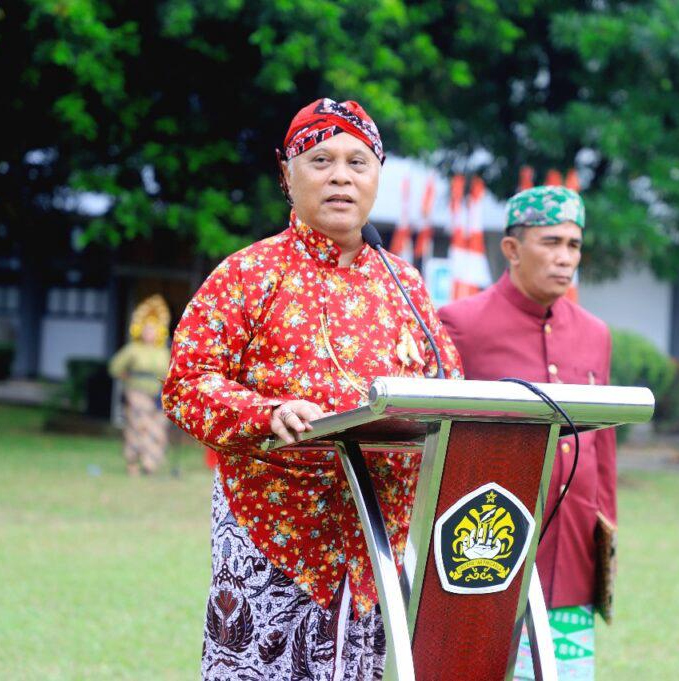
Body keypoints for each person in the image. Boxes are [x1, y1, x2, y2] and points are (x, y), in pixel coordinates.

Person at [161, 98, 463, 680]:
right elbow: (186, 383)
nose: (341, 177)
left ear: (378, 175)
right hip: (271, 539)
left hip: (376, 546)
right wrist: (265, 412)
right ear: (286, 173)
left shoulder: (405, 284)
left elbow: (449, 390)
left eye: (358, 162)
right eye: (321, 160)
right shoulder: (248, 273)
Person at [438, 186, 615, 680]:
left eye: (574, 245)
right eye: (551, 242)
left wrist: (605, 537)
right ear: (512, 249)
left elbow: (603, 450)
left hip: (572, 549)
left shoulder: (595, 334)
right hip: (485, 547)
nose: (565, 258)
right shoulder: (460, 325)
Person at [108, 294, 172, 476]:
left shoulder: (163, 352)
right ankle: (133, 462)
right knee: (139, 426)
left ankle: (150, 463)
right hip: (137, 393)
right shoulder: (133, 349)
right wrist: (127, 378)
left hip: (158, 395)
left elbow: (170, 372)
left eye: (153, 330)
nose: (149, 333)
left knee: (157, 427)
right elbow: (115, 367)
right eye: (146, 329)